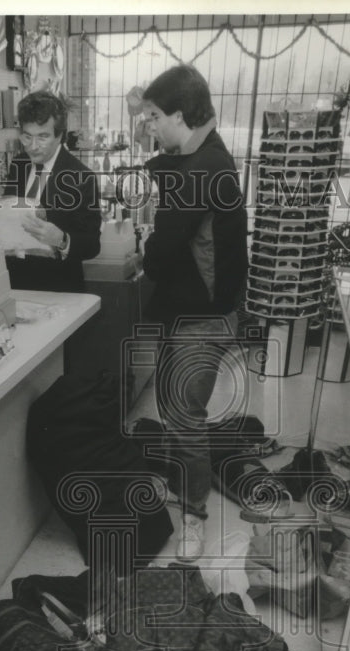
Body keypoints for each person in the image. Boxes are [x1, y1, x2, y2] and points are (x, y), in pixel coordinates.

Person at [141, 65, 248, 560]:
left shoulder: (203, 169)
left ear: (179, 115)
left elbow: (160, 252)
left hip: (202, 318)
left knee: (184, 416)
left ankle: (194, 517)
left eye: (154, 116)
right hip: (192, 310)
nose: (151, 126)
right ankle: (183, 489)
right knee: (173, 407)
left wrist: (148, 246)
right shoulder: (206, 153)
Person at [1, 91, 101, 293]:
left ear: (60, 135)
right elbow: (10, 208)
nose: (33, 147)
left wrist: (62, 239)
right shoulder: (19, 164)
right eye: (27, 137)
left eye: (43, 137)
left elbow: (92, 244)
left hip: (60, 286)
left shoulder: (82, 177)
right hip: (14, 283)